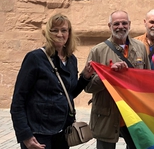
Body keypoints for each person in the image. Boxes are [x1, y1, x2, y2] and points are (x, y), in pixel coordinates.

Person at [11, 14, 94, 149]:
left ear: (69, 33)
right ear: (48, 33)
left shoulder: (71, 60)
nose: (59, 34)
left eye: (63, 30)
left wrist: (85, 77)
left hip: (62, 131)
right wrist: (25, 135)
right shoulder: (35, 58)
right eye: (54, 30)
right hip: (39, 132)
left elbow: (69, 93)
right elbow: (18, 100)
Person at [85, 10, 150, 149]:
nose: (121, 26)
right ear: (109, 26)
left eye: (124, 23)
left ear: (129, 24)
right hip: (107, 113)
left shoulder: (140, 48)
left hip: (133, 113)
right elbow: (88, 87)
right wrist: (108, 74)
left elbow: (147, 79)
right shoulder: (97, 51)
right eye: (116, 24)